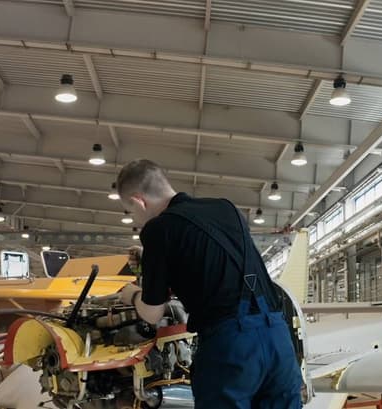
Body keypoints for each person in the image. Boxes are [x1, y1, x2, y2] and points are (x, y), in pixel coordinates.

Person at [115, 159, 302, 409]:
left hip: (231, 349)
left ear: (139, 200)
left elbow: (152, 313)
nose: (136, 219)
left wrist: (131, 295)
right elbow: (213, 262)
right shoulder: (226, 208)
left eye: (131, 211)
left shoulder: (158, 230)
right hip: (277, 337)